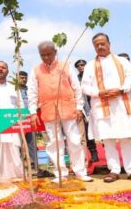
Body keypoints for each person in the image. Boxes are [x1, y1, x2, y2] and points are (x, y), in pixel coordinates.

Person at [81, 33, 131, 183]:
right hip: (102, 105)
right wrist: (99, 92)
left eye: (102, 43)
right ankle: (114, 170)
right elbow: (84, 86)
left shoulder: (122, 61)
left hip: (121, 104)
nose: (100, 46)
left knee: (126, 138)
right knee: (108, 138)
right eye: (96, 44)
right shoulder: (90, 66)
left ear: (109, 43)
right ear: (94, 47)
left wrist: (121, 89)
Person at [28, 41, 93, 183]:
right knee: (54, 143)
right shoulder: (35, 70)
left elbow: (76, 87)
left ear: (55, 52)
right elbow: (32, 91)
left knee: (75, 141)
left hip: (69, 109)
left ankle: (80, 172)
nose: (46, 58)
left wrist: (79, 107)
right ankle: (60, 174)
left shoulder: (66, 65)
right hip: (48, 110)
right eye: (42, 55)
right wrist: (33, 112)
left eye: (48, 54)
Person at [19, 71, 54, 178]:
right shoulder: (13, 90)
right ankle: (19, 168)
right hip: (17, 120)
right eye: (21, 78)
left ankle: (34, 166)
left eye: (25, 78)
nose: (23, 80)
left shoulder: (31, 90)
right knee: (18, 144)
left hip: (30, 119)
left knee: (32, 143)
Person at [74, 59, 99, 163]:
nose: (81, 67)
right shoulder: (75, 79)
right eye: (78, 65)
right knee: (87, 132)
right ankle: (93, 153)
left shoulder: (93, 76)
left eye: (82, 64)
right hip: (85, 109)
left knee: (100, 130)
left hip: (97, 106)